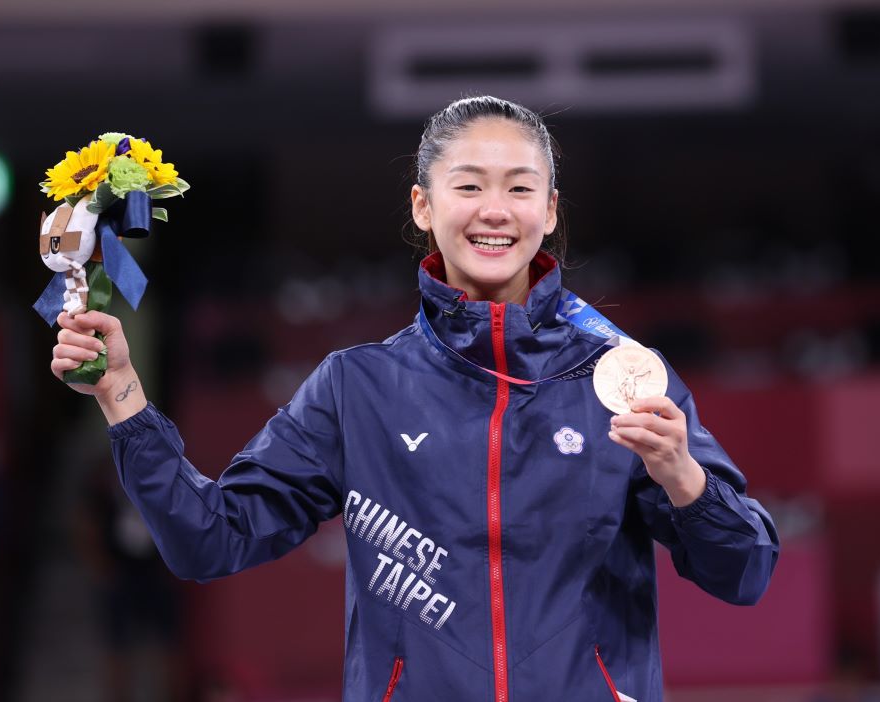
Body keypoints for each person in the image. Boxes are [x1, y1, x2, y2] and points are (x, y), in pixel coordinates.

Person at [50, 95, 779, 702]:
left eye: (519, 188)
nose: (495, 210)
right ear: (423, 206)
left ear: (550, 210)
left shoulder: (621, 378)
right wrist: (122, 396)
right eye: (469, 186)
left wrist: (683, 478)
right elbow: (208, 539)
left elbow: (747, 572)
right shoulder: (357, 388)